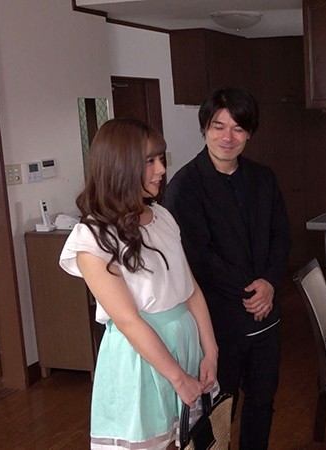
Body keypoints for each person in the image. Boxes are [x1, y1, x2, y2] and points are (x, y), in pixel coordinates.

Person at [59, 118, 218, 450]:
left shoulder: (163, 217)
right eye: (150, 161)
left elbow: (191, 290)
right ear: (120, 166)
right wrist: (178, 378)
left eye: (161, 158)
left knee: (189, 440)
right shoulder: (93, 237)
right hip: (141, 358)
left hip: (184, 341)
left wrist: (211, 351)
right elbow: (128, 321)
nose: (161, 169)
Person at [163, 86, 290, 450]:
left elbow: (281, 236)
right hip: (218, 323)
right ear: (205, 128)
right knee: (219, 409)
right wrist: (251, 292)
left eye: (238, 128)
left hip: (266, 316)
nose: (227, 137)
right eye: (218, 127)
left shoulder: (263, 178)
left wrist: (269, 283)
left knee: (262, 402)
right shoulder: (185, 186)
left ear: (249, 133)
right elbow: (198, 256)